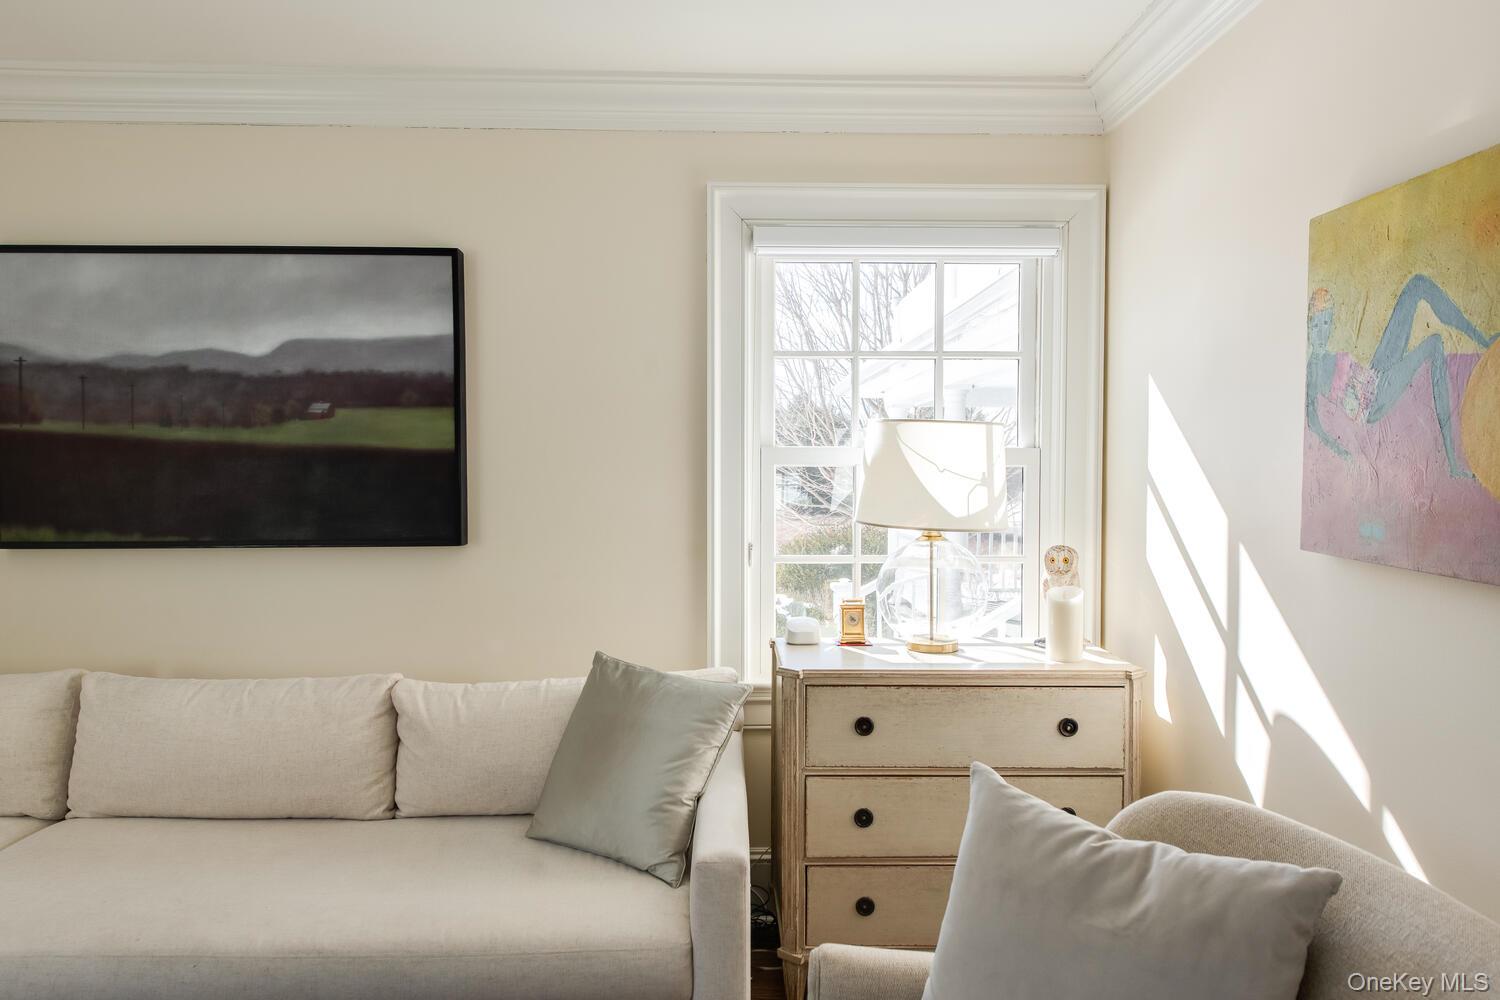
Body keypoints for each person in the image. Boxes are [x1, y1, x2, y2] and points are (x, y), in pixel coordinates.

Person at [1306, 274, 1496, 477]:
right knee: (1435, 343)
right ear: (1307, 326)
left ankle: (1483, 340)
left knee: (1417, 284)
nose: (1321, 333)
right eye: (1315, 325)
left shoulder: (1329, 355)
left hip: (1376, 373)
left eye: (1326, 323)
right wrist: (1340, 451)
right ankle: (1453, 465)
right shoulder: (1311, 371)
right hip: (1375, 402)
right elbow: (1313, 421)